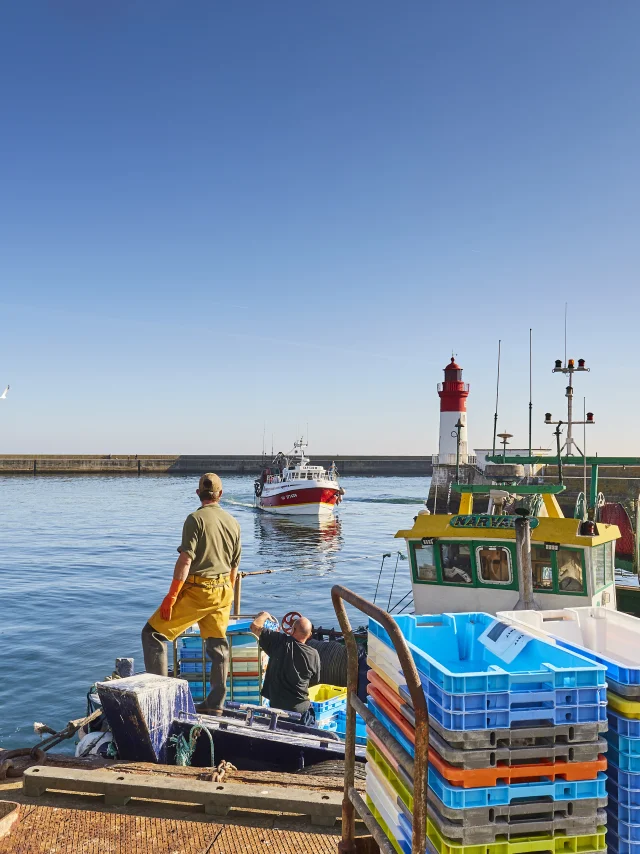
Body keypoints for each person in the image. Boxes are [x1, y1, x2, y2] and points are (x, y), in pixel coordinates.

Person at [141, 473, 241, 714]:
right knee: (218, 646)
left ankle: (160, 699)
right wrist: (225, 595)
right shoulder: (233, 522)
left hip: (200, 590)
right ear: (220, 494)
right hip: (224, 590)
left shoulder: (195, 519)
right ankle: (215, 704)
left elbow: (185, 560)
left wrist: (171, 596)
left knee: (153, 634)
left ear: (198, 493)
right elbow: (235, 567)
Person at [250, 611, 321, 726]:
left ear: (292, 630)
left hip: (277, 710)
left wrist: (265, 615)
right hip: (301, 712)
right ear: (309, 635)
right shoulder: (314, 654)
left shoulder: (278, 642)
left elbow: (255, 626)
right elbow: (315, 680)